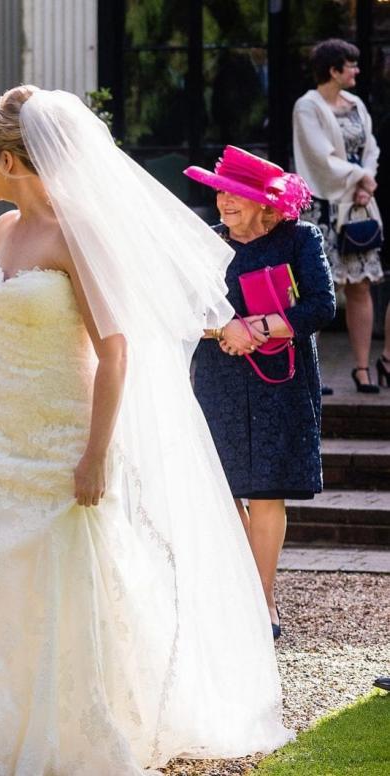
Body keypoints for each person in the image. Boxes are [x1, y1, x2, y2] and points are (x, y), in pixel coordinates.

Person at [0, 87, 292, 774]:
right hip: (0, 427)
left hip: (67, 429)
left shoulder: (77, 236)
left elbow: (116, 349)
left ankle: (81, 726)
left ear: (13, 160)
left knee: (75, 574)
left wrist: (96, 453)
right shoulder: (4, 232)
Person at [185, 147, 335, 642]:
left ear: (264, 203)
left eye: (236, 195)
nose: (223, 202)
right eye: (220, 192)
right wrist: (223, 328)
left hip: (283, 383)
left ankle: (262, 600)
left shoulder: (300, 239)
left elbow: (321, 305)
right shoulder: (206, 244)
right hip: (219, 378)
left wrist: (262, 326)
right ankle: (241, 594)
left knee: (268, 488)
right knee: (224, 487)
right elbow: (182, 306)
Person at [293, 38, 388, 393]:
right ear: (333, 70)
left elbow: (371, 148)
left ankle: (362, 369)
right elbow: (319, 156)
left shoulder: (357, 105)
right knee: (319, 288)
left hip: (358, 205)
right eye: (351, 65)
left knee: (360, 286)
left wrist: (367, 180)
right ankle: (311, 373)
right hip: (323, 207)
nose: (357, 71)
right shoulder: (307, 106)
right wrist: (359, 178)